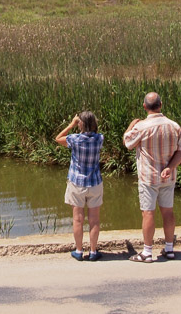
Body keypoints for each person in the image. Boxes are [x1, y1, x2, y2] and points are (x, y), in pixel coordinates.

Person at [123, 91, 181, 262]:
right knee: (168, 212)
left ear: (144, 106)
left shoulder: (141, 126)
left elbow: (127, 143)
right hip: (168, 176)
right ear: (161, 104)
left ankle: (147, 252)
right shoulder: (174, 126)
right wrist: (171, 167)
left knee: (148, 213)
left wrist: (131, 125)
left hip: (148, 178)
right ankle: (169, 248)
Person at [55, 111, 104, 261]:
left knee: (78, 219)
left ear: (80, 124)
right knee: (94, 220)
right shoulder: (99, 139)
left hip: (77, 183)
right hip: (95, 183)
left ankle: (79, 250)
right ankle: (93, 251)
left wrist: (71, 124)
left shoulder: (75, 139)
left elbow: (58, 139)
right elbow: (95, 133)